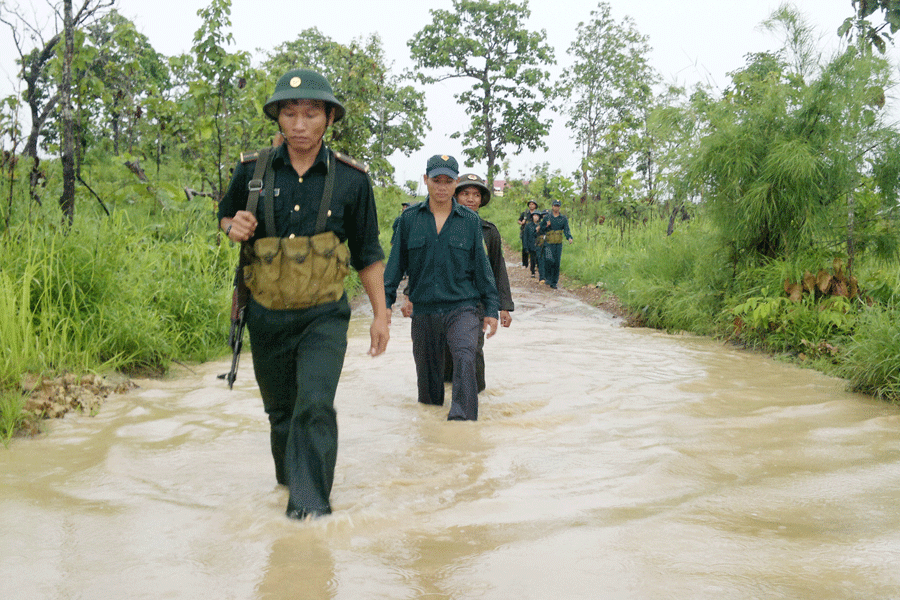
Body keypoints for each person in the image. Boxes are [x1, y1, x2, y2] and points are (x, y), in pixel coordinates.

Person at [217, 68, 389, 520]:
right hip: (265, 315)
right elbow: (224, 217)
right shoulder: (250, 171)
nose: (299, 124)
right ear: (278, 118)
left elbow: (368, 253)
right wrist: (233, 226)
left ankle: (310, 514)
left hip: (324, 317)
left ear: (329, 118)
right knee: (280, 413)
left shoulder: (352, 180)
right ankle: (290, 483)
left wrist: (381, 315)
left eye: (311, 114)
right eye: (289, 113)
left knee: (314, 404)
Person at [384, 154, 499, 421]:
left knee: (465, 357)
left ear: (455, 183)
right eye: (437, 180)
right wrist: (385, 304)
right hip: (424, 311)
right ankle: (432, 439)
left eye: (448, 181)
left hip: (462, 307)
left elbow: (483, 270)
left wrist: (492, 308)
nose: (442, 187)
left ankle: (464, 428)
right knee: (429, 393)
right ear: (426, 180)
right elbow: (394, 267)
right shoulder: (409, 219)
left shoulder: (470, 221)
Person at [442, 173, 513, 392]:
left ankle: (477, 399)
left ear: (481, 200)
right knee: (444, 353)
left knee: (472, 350)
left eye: (476, 195)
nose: (471, 199)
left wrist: (504, 307)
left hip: (476, 304)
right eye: (465, 194)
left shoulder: (489, 232)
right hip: (443, 300)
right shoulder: (440, 226)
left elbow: (497, 268)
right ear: (455, 196)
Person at [540, 200, 574, 289]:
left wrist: (569, 237)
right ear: (552, 206)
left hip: (558, 244)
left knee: (556, 262)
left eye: (558, 206)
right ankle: (548, 277)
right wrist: (546, 225)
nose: (556, 207)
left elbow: (566, 229)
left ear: (559, 207)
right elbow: (541, 229)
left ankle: (554, 282)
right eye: (555, 206)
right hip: (548, 242)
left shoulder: (563, 218)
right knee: (549, 259)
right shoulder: (547, 217)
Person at [521, 209, 543, 279]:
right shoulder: (528, 226)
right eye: (534, 215)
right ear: (532, 216)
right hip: (531, 245)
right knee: (533, 259)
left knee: (539, 260)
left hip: (539, 246)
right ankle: (533, 272)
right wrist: (526, 247)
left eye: (537, 216)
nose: (536, 217)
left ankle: (541, 273)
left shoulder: (541, 225)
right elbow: (525, 237)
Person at [518, 200, 540, 268]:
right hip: (525, 233)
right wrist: (521, 223)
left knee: (535, 248)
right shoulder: (525, 213)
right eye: (530, 204)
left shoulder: (537, 213)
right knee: (525, 248)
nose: (531, 205)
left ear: (535, 205)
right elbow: (519, 220)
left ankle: (535, 264)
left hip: (535, 233)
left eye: (533, 204)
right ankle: (525, 264)